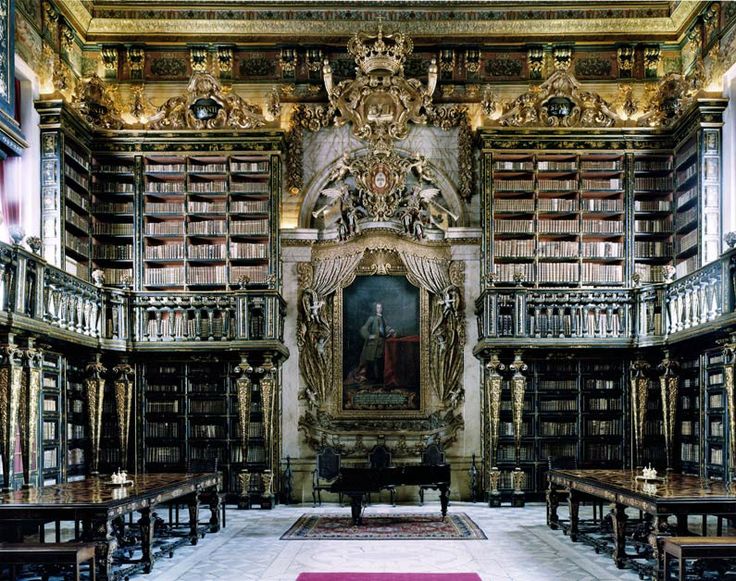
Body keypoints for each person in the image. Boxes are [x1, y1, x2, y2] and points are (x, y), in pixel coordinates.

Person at [359, 302, 395, 383]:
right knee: (372, 362)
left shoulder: (383, 319)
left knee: (381, 362)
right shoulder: (372, 318)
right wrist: (369, 336)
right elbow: (363, 329)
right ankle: (372, 380)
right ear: (375, 309)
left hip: (382, 344)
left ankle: (380, 380)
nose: (380, 309)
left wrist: (390, 330)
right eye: (378, 308)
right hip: (373, 344)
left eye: (381, 308)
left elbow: (385, 328)